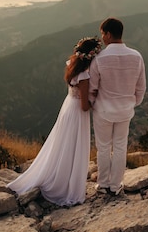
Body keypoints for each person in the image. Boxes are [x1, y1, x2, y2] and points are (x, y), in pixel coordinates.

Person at [7, 36, 103, 206]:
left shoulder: (72, 66)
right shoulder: (84, 76)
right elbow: (84, 106)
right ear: (91, 56)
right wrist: (96, 99)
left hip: (67, 106)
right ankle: (66, 186)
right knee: (73, 147)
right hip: (77, 113)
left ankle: (59, 176)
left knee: (62, 144)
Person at [89, 18, 146, 196]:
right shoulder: (136, 56)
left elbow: (92, 88)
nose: (102, 38)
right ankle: (116, 185)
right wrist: (132, 103)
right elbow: (141, 87)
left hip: (104, 110)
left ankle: (103, 184)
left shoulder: (99, 59)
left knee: (104, 147)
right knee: (121, 146)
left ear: (108, 34)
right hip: (125, 110)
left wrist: (93, 104)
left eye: (102, 34)